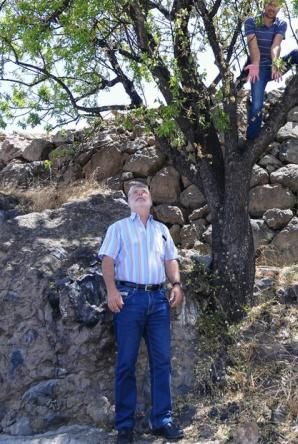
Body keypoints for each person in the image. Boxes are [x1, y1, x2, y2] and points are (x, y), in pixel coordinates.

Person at [99, 181, 184, 443]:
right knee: (126, 361)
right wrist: (111, 291)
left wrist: (177, 284)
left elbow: (170, 259)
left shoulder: (161, 230)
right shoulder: (118, 229)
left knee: (161, 361)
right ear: (129, 202)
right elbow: (108, 260)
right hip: (129, 300)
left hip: (158, 299)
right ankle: (125, 426)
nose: (140, 194)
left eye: (144, 192)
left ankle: (162, 421)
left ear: (150, 199)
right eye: (134, 193)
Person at [243, 0, 298, 139]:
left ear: (279, 8)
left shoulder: (281, 24)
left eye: (275, 5)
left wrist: (276, 64)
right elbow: (253, 46)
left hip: (275, 66)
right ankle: (251, 139)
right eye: (269, 4)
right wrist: (255, 64)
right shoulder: (251, 22)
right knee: (256, 106)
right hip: (258, 70)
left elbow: (276, 45)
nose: (271, 8)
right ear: (263, 5)